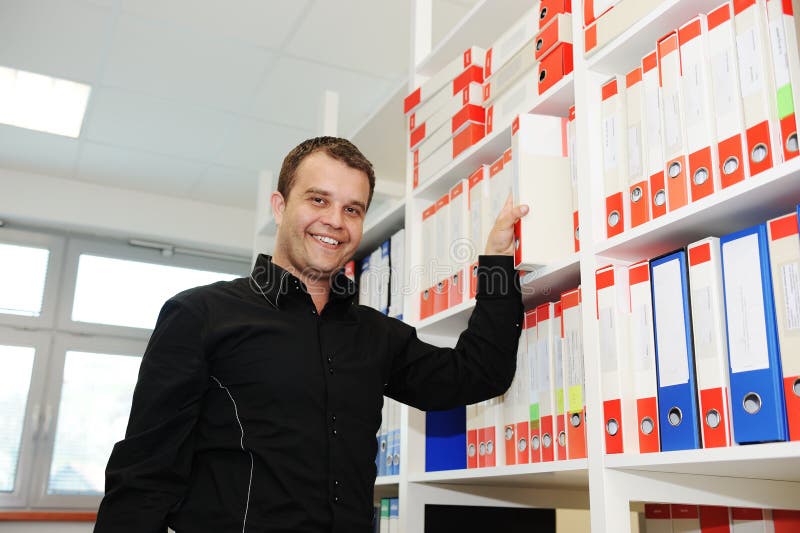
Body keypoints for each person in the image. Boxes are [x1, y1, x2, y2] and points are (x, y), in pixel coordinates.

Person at [94, 136, 528, 533]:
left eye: (352, 209)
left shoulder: (375, 334)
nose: (334, 221)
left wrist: (495, 263)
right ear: (280, 207)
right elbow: (142, 479)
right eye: (318, 200)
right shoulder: (200, 314)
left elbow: (479, 374)